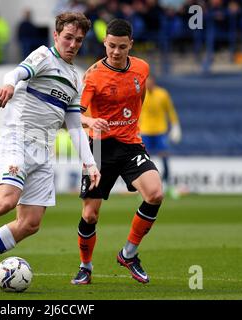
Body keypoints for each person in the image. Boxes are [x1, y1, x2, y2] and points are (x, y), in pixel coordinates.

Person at [0, 12, 101, 289]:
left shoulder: (75, 76)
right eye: (68, 38)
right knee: (7, 200)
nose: (72, 44)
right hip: (18, 140)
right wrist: (10, 85)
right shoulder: (44, 56)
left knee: (30, 223)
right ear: (56, 35)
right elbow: (16, 72)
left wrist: (90, 163)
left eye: (79, 40)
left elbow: (73, 124)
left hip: (43, 150)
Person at [71, 19, 163, 285]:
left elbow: (140, 97)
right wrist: (91, 122)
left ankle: (128, 253)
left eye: (122, 47)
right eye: (111, 46)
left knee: (155, 193)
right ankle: (85, 266)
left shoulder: (142, 68)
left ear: (130, 45)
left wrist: (132, 124)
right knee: (90, 214)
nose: (115, 52)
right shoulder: (93, 76)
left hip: (130, 144)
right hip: (99, 147)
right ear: (105, 43)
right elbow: (75, 115)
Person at [140, 76, 181, 199]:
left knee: (164, 158)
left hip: (160, 131)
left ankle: (167, 185)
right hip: (145, 131)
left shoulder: (162, 94)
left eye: (150, 82)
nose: (149, 85)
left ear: (154, 82)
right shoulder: (141, 94)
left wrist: (175, 125)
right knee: (144, 160)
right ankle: (145, 188)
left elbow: (170, 110)